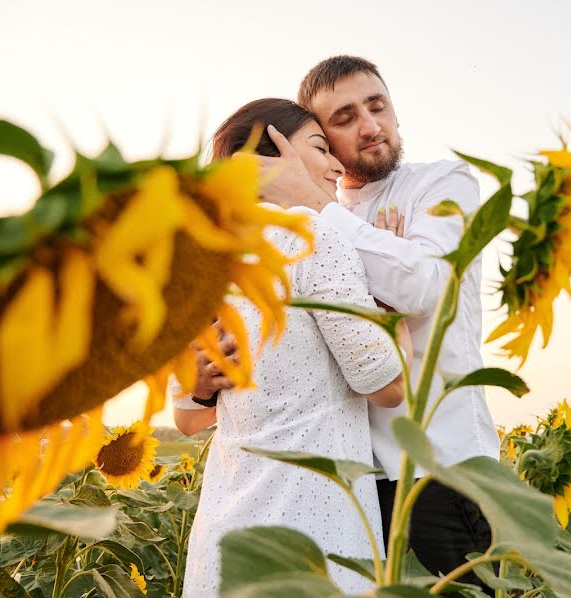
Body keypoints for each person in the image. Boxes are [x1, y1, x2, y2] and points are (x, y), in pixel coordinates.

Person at [253, 56, 501, 591]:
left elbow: (424, 286)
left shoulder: (443, 182)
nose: (369, 125)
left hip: (443, 466)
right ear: (317, 140)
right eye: (343, 118)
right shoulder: (310, 224)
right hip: (357, 481)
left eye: (377, 105)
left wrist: (319, 206)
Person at [171, 98, 413, 597]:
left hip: (224, 544)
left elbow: (189, 418)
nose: (337, 165)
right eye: (321, 147)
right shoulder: (313, 233)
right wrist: (394, 307)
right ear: (270, 153)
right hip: (310, 541)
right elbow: (388, 386)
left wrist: (197, 387)